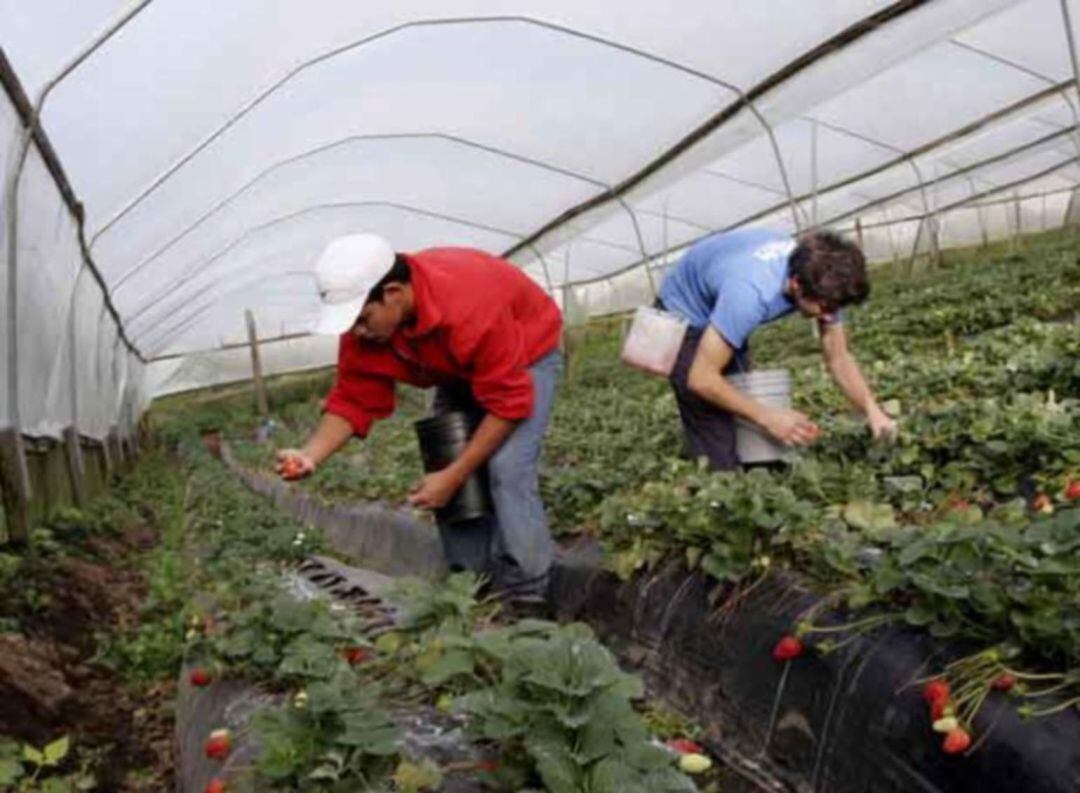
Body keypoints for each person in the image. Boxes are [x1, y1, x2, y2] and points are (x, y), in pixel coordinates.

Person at [276, 234, 563, 600]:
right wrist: (309, 455)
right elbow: (353, 398)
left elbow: (509, 404)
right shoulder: (365, 328)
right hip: (456, 368)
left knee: (507, 469)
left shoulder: (468, 302)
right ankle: (472, 586)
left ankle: (528, 593)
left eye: (364, 319)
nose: (358, 331)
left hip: (525, 356)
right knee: (447, 456)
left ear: (393, 292)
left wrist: (454, 474)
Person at [656, 227, 896, 470]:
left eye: (836, 308)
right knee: (712, 422)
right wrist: (768, 417)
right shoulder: (749, 295)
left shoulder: (825, 282)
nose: (830, 316)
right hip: (685, 312)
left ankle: (754, 472)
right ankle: (717, 489)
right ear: (795, 284)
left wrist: (872, 410)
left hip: (723, 290)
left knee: (738, 393)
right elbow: (701, 379)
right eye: (824, 308)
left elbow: (839, 357)